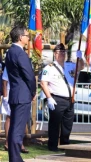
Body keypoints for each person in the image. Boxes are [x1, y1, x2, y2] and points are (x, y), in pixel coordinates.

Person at [40, 43, 84, 151]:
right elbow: (43, 83)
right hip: (57, 99)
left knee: (67, 126)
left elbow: (81, 66)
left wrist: (80, 57)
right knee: (55, 124)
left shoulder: (69, 65)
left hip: (70, 100)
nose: (62, 54)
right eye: (60, 52)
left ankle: (65, 145)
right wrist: (49, 98)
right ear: (55, 54)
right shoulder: (49, 68)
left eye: (64, 52)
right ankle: (53, 146)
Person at [5, 26, 36, 162]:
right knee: (17, 130)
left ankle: (14, 157)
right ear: (20, 37)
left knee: (14, 129)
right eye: (26, 35)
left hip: (15, 94)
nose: (28, 38)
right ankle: (15, 158)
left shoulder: (10, 52)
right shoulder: (19, 53)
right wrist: (33, 90)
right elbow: (29, 75)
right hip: (22, 95)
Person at [1, 67, 28, 153]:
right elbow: (4, 81)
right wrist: (5, 96)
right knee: (10, 117)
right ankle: (8, 142)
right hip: (10, 92)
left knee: (22, 118)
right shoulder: (10, 63)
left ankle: (19, 143)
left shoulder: (25, 63)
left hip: (23, 93)